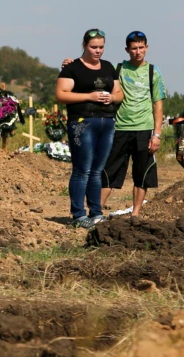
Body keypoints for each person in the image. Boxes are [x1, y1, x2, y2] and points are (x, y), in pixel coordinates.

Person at [56, 28, 123, 229]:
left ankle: (96, 213)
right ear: (84, 45)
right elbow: (61, 94)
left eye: (101, 47)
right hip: (82, 123)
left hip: (107, 122)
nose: (98, 51)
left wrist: (112, 97)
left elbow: (119, 93)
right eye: (94, 47)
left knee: (97, 170)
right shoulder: (72, 69)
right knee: (82, 169)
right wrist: (89, 96)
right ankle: (78, 215)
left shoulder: (109, 67)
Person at [101, 31, 166, 218]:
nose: (138, 52)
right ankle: (96, 211)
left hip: (144, 129)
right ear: (127, 49)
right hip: (120, 128)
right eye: (134, 48)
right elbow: (94, 73)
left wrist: (157, 134)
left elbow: (158, 104)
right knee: (109, 172)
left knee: (141, 174)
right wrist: (71, 64)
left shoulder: (153, 72)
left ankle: (135, 214)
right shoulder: (118, 69)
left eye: (141, 47)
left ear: (146, 47)